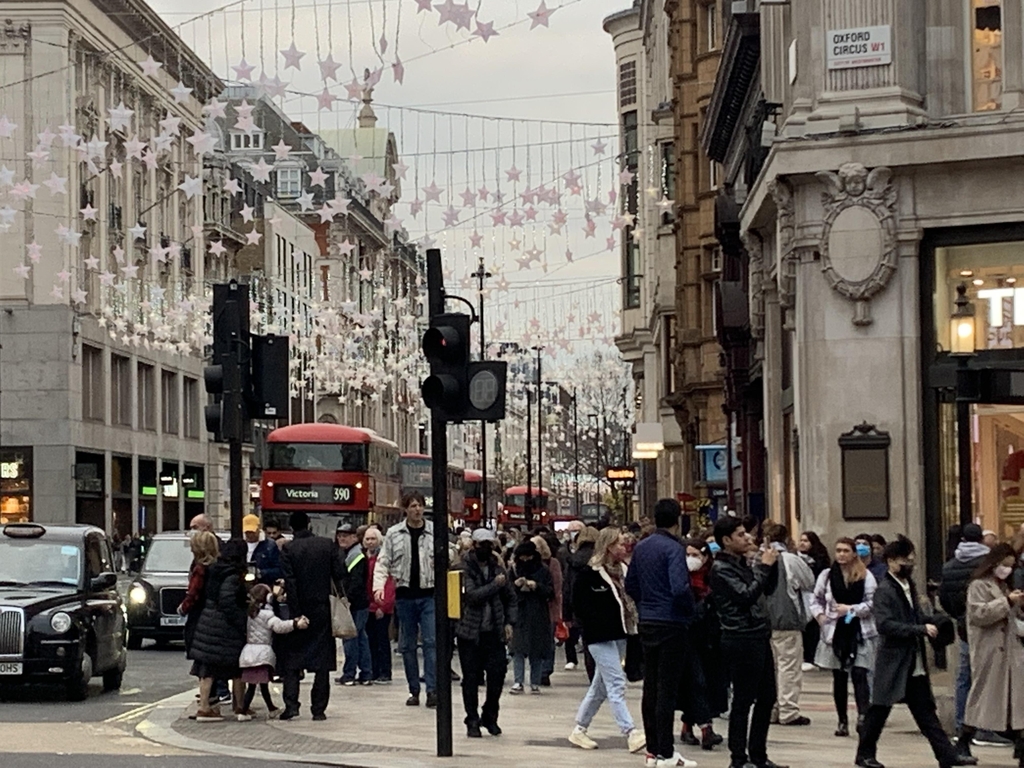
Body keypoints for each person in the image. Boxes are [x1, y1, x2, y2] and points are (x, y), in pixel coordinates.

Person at [855, 536, 976, 768]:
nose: (908, 564)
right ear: (890, 561)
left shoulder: (907, 585)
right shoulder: (885, 589)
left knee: (926, 713)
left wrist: (932, 622)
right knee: (878, 711)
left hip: (913, 662)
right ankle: (865, 754)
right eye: (903, 560)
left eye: (911, 559)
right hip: (894, 661)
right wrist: (919, 629)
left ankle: (946, 756)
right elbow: (885, 625)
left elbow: (914, 616)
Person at [624, 498, 697, 768]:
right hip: (672, 622)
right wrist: (689, 610)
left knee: (651, 687)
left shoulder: (641, 547)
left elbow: (631, 583)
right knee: (667, 688)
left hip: (648, 621)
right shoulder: (674, 548)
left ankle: (653, 750)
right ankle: (667, 752)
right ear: (678, 520)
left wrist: (646, 604)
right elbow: (679, 587)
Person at [711, 515, 786, 768]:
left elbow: (766, 589)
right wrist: (763, 568)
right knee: (743, 700)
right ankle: (738, 758)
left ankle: (758, 754)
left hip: (758, 634)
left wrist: (770, 566)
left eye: (746, 533)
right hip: (740, 637)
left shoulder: (742, 563)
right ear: (726, 540)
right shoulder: (721, 569)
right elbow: (745, 596)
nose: (747, 538)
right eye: (741, 535)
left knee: (767, 697)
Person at [568, 526, 646, 754]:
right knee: (616, 683)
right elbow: (579, 604)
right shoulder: (589, 574)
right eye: (620, 543)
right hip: (599, 637)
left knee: (600, 687)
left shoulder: (624, 570)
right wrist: (594, 621)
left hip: (622, 633)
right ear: (609, 546)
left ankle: (579, 729)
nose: (625, 547)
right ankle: (630, 732)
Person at [938, 523, 1008, 753]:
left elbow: (945, 598)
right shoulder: (984, 568)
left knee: (965, 678)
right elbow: (981, 609)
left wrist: (958, 616)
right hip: (985, 631)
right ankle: (977, 730)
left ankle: (963, 726)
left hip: (963, 626)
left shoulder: (950, 565)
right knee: (982, 682)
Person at [957, 543, 1024, 763]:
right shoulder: (978, 585)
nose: (1007, 569)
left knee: (1016, 700)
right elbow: (979, 614)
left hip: (1010, 651)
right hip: (989, 651)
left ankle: (1020, 743)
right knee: (982, 697)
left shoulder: (1004, 585)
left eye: (1011, 566)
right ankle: (964, 739)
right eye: (1004, 565)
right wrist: (1007, 602)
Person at [279, 511, 346, 721]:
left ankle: (291, 705)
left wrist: (296, 613)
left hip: (299, 610)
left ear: (291, 528)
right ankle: (318, 709)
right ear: (309, 524)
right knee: (322, 662)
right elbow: (340, 574)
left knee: (292, 660)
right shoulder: (327, 545)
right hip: (323, 608)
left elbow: (290, 582)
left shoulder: (288, 549)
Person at [374, 492, 437, 708]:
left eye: (420, 505)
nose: (417, 509)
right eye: (413, 506)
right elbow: (383, 562)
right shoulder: (394, 534)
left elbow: (448, 554)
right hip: (405, 597)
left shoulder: (434, 532)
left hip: (429, 594)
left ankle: (432, 689)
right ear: (405, 509)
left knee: (431, 643)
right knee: (408, 646)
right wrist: (378, 587)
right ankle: (414, 690)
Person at [811, 537, 878, 738]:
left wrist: (851, 609)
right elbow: (816, 599)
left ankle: (863, 716)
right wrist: (821, 617)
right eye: (838, 550)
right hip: (836, 630)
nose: (841, 554)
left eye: (846, 551)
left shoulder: (866, 575)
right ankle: (842, 720)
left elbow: (873, 602)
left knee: (860, 673)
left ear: (854, 553)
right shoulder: (827, 575)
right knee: (839, 677)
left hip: (859, 629)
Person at [456, 528, 516, 738]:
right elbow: (472, 596)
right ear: (474, 545)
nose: (487, 549)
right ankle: (471, 719)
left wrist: (510, 622)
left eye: (490, 545)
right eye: (482, 545)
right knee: (471, 678)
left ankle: (490, 715)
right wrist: (494, 585)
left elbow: (510, 598)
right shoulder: (463, 568)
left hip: (494, 632)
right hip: (470, 633)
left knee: (497, 676)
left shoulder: (498, 568)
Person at [189, 538, 248, 722]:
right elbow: (227, 601)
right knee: (238, 667)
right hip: (225, 626)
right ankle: (239, 706)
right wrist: (241, 621)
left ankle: (205, 707)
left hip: (207, 620)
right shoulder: (232, 575)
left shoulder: (213, 569)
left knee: (207, 668)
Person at [763, 522, 816, 727]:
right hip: (786, 619)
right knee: (789, 667)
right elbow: (808, 581)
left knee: (772, 668)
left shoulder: (758, 558)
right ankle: (788, 710)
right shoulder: (790, 560)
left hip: (764, 621)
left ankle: (772, 709)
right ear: (786, 539)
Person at [237, 583, 309, 721]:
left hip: (249, 651)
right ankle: (243, 710)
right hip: (262, 654)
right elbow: (280, 627)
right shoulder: (268, 615)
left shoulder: (250, 613)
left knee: (258, 684)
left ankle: (270, 708)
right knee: (256, 685)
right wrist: (294, 624)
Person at [679, 538, 725, 750]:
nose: (691, 559)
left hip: (710, 639)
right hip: (688, 637)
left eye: (696, 555)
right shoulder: (681, 578)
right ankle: (706, 729)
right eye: (688, 554)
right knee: (696, 681)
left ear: (706, 556)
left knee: (707, 682)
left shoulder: (712, 578)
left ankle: (687, 727)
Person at [509, 540, 555, 694]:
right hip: (520, 612)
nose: (525, 561)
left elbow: (550, 591)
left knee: (537, 649)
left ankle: (535, 682)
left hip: (538, 612)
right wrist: (516, 585)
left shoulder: (543, 570)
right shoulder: (514, 569)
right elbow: (507, 592)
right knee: (518, 649)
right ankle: (518, 681)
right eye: (522, 557)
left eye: (527, 557)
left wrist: (536, 586)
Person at [336, 522, 373, 686]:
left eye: (345, 536)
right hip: (359, 603)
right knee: (361, 638)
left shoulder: (355, 556)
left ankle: (349, 673)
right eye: (339, 536)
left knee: (350, 637)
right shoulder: (351, 553)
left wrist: (347, 599)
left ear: (354, 537)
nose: (341, 539)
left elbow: (355, 582)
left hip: (353, 604)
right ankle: (366, 673)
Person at [563, 526, 599, 676]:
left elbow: (567, 588)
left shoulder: (573, 560)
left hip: (579, 606)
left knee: (586, 642)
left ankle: (591, 671)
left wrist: (566, 614)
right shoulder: (600, 558)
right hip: (599, 604)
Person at [363, 527, 394, 685]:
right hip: (368, 606)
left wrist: (383, 606)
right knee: (371, 641)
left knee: (382, 640)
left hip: (381, 606)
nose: (369, 542)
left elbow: (389, 584)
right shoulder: (365, 558)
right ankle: (374, 670)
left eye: (373, 539)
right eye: (367, 539)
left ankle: (385, 671)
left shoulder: (384, 559)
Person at [798, 530, 831, 667]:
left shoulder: (819, 559)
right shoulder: (796, 558)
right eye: (801, 540)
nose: (802, 543)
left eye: (806, 541)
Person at [532, 534, 561, 686]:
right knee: (537, 640)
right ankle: (538, 671)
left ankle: (545, 671)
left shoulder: (552, 563)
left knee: (548, 640)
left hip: (549, 607)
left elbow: (557, 586)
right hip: (533, 608)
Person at [242, 514, 283, 586]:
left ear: (258, 529)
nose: (250, 535)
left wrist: (261, 573)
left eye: (252, 532)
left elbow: (279, 569)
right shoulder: (239, 545)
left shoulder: (270, 546)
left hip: (262, 586)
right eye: (247, 532)